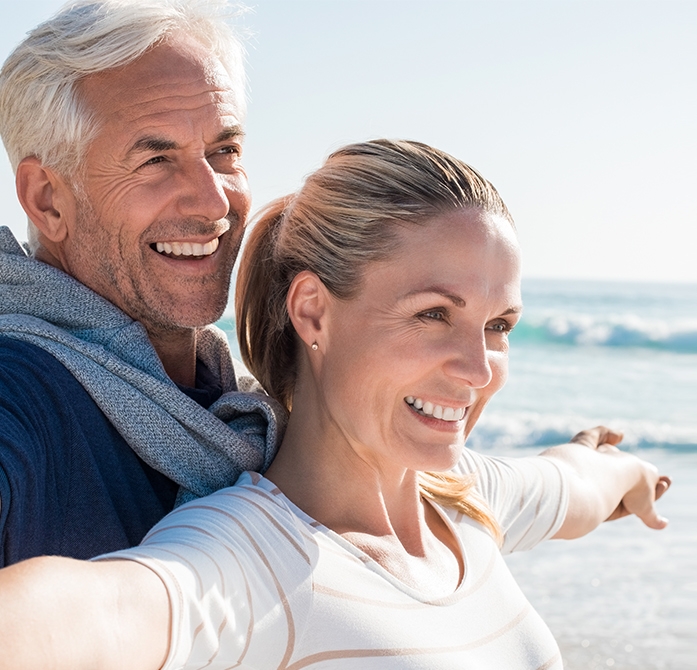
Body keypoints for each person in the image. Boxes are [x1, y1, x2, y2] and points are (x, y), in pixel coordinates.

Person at [0, 138, 670, 668]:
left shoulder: (463, 500)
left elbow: (573, 484)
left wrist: (623, 473)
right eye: (433, 314)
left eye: (498, 326)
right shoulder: (255, 561)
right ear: (313, 313)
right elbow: (90, 614)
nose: (477, 370)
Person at [0, 0, 627, 564]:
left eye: (225, 150)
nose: (213, 199)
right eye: (156, 158)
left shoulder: (253, 425)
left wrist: (605, 473)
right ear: (48, 198)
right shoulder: (20, 404)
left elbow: (529, 491)